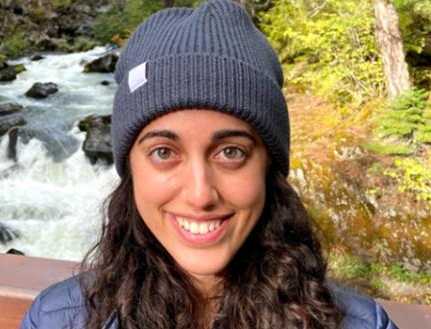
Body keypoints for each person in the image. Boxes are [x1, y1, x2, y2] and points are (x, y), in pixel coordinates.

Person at [20, 1, 398, 328]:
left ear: (268, 166)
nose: (200, 195)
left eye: (231, 152)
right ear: (131, 170)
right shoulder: (55, 319)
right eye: (164, 153)